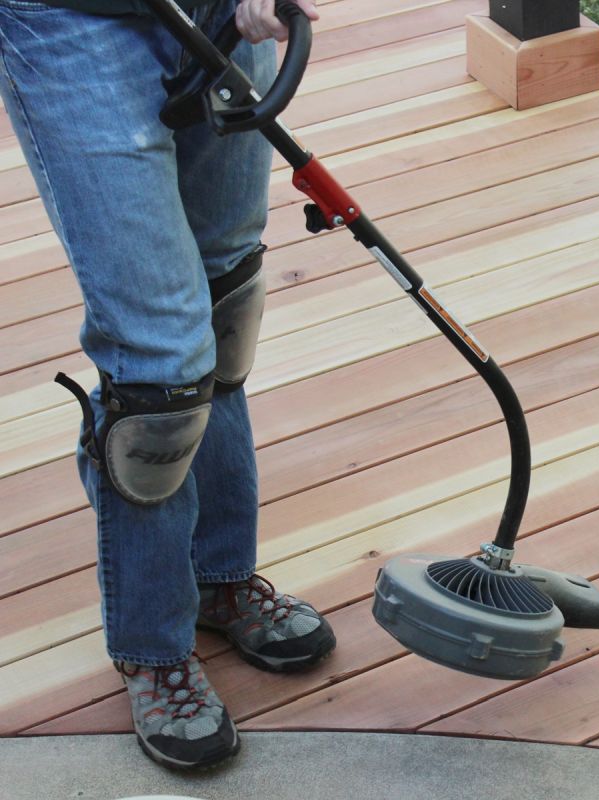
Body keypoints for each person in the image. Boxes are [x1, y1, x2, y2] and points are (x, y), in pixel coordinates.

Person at [0, 0, 333, 770]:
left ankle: (219, 578)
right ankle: (154, 646)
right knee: (159, 366)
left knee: (226, 297)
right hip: (70, 20)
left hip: (214, 10)